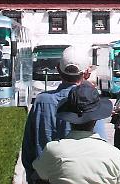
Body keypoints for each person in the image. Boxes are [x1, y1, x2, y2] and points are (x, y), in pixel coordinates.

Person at [22, 47, 108, 183]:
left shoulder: (41, 101)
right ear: (86, 73)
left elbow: (28, 150)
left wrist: (32, 177)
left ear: (58, 68)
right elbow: (101, 147)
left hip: (44, 177)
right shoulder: (90, 103)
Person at [33, 84, 120, 184]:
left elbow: (40, 174)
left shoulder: (52, 150)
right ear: (96, 119)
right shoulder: (114, 154)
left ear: (69, 118)